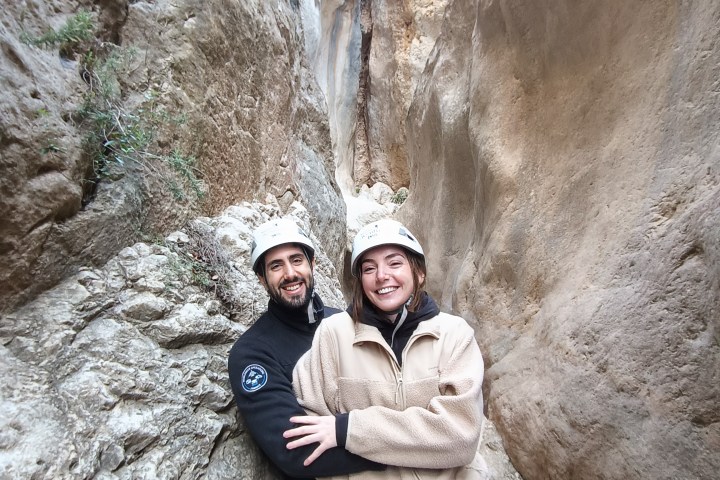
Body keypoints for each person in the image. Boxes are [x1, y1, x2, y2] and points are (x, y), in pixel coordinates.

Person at [285, 219, 488, 479]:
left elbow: (461, 437)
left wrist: (348, 430)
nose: (382, 276)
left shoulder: (454, 335)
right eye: (369, 268)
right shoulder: (333, 335)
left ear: (419, 272)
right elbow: (312, 429)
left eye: (395, 263)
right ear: (360, 281)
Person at [227, 218, 384, 479]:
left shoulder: (346, 322)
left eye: (296, 260)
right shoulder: (252, 354)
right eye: (276, 266)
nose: (290, 273)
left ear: (312, 264)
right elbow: (298, 451)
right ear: (262, 279)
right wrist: (402, 447)